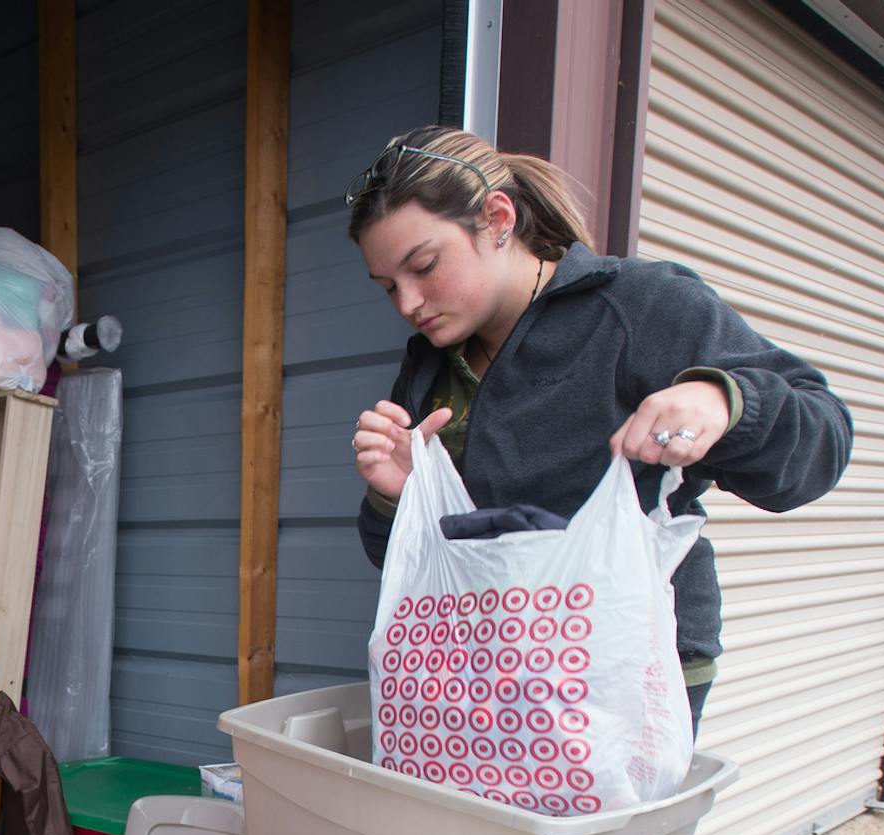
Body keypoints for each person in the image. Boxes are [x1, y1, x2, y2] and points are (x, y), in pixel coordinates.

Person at [346, 126, 853, 731]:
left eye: (424, 266)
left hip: (621, 666)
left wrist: (724, 401)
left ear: (497, 218)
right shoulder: (429, 367)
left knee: (593, 831)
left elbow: (819, 445)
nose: (408, 302)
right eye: (388, 287)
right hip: (476, 670)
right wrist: (391, 497)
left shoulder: (638, 307)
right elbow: (405, 561)